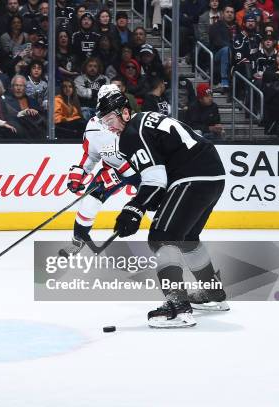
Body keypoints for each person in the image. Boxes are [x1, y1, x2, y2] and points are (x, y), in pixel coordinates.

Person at [96, 87, 228, 329]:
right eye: (104, 123)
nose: (109, 127)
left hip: (193, 177)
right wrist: (142, 203)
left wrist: (133, 209)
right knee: (187, 237)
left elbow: (155, 180)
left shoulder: (131, 134)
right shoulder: (145, 120)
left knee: (161, 238)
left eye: (111, 120)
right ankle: (213, 295)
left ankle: (178, 308)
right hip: (213, 175)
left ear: (125, 113)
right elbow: (159, 171)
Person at [63, 84, 139, 254]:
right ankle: (79, 240)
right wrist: (79, 174)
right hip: (110, 168)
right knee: (89, 202)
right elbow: (91, 155)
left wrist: (119, 173)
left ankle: (171, 236)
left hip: (140, 171)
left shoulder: (133, 121)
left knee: (156, 201)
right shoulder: (93, 127)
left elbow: (145, 155)